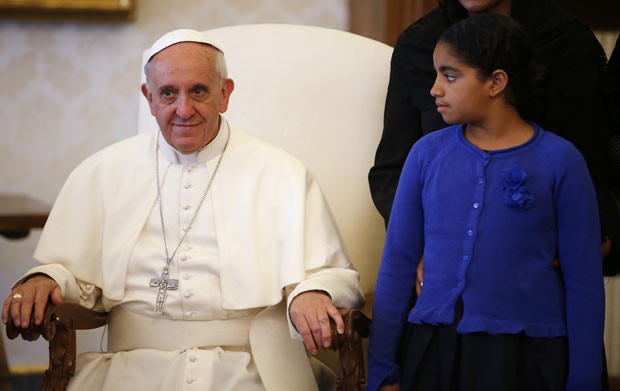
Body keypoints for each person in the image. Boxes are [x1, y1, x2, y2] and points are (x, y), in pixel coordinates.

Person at [1, 29, 364, 391]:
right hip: (129, 367)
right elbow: (74, 276)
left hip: (253, 367)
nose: (183, 110)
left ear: (225, 93)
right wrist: (45, 278)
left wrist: (312, 292)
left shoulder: (282, 173)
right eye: (168, 93)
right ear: (149, 97)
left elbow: (329, 272)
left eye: (199, 91)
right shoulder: (102, 171)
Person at [367, 13, 605, 391]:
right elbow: (397, 266)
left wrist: (586, 381)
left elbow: (584, 284)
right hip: (434, 350)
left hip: (530, 356)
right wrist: (381, 370)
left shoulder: (562, 161)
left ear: (496, 82)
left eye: (449, 75)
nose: (433, 90)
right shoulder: (425, 155)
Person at [368, 0, 620, 277]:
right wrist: (420, 245)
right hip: (444, 252)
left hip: (542, 258)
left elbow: (597, 162)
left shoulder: (569, 43)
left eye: (451, 77)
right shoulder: (417, 43)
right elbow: (393, 170)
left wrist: (599, 237)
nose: (438, 89)